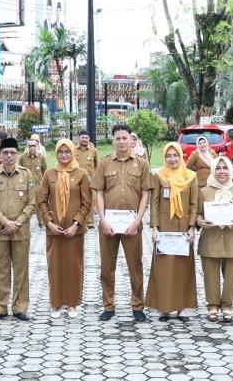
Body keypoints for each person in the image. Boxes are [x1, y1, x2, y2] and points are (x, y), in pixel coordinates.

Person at [91, 124, 153, 322]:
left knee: (135, 266)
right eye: (117, 138)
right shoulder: (105, 163)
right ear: (113, 140)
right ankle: (108, 305)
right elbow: (99, 192)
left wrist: (138, 221)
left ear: (130, 139)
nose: (121, 141)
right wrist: (102, 220)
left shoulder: (142, 164)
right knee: (107, 267)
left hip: (132, 225)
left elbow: (146, 194)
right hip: (109, 224)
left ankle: (137, 305)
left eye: (124, 138)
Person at [0, 137, 36, 322]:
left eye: (12, 153)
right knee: (0, 270)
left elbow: (32, 202)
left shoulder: (26, 174)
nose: (8, 156)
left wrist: (17, 223)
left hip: (21, 231)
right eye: (5, 152)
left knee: (21, 269)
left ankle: (20, 307)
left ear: (17, 154)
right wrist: (6, 222)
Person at [38, 139, 91, 318]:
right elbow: (42, 201)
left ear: (72, 152)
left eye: (67, 151)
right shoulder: (49, 174)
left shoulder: (81, 173)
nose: (64, 155)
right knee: (55, 267)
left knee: (74, 266)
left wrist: (76, 224)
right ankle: (57, 303)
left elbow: (86, 203)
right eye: (60, 152)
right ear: (56, 153)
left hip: (74, 231)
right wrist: (49, 222)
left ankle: (73, 303)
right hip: (55, 230)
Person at [145, 143, 198, 321]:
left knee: (183, 268)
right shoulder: (159, 175)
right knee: (164, 268)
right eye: (169, 156)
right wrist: (154, 228)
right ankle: (164, 308)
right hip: (164, 227)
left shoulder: (190, 176)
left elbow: (194, 203)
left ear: (181, 156)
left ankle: (181, 308)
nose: (173, 159)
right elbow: (155, 203)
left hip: (183, 228)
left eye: (176, 155)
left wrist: (192, 227)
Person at [196, 156, 233, 322]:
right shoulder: (204, 191)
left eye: (225, 168)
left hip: (232, 239)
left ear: (230, 170)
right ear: (213, 170)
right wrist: (200, 221)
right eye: (218, 168)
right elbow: (198, 214)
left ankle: (227, 306)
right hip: (210, 239)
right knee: (210, 276)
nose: (221, 171)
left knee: (231, 277)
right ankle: (212, 306)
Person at [19, 137, 47, 226]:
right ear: (27, 147)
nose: (32, 148)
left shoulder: (41, 157)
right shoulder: (22, 158)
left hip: (38, 185)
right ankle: (23, 221)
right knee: (25, 204)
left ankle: (41, 221)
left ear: (37, 146)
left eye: (34, 146)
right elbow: (19, 171)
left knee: (39, 203)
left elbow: (44, 171)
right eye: (30, 146)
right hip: (26, 185)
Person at [75, 129, 98, 229]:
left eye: (86, 138)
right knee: (76, 200)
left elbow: (97, 166)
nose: (84, 139)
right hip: (75, 179)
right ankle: (77, 220)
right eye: (82, 137)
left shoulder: (94, 151)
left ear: (89, 139)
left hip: (89, 181)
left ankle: (90, 222)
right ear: (79, 138)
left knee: (89, 201)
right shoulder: (73, 149)